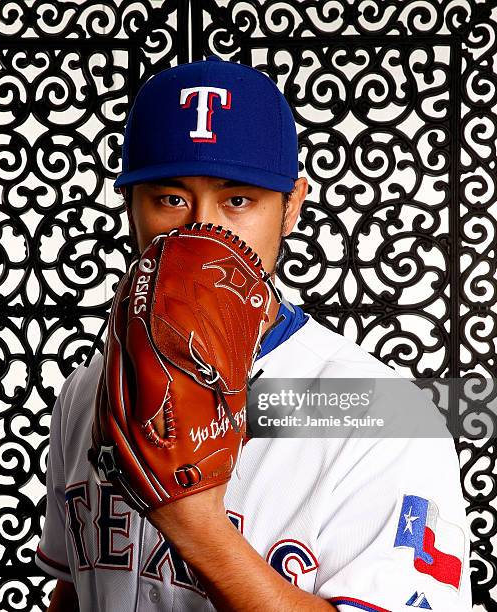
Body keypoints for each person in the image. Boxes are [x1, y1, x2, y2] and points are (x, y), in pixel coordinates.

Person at [35, 56, 472, 611]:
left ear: (292, 206)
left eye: (238, 199)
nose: (201, 228)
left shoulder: (384, 414)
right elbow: (75, 591)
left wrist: (196, 528)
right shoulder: (88, 389)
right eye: (169, 198)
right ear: (131, 208)